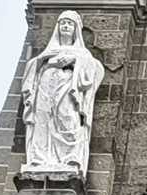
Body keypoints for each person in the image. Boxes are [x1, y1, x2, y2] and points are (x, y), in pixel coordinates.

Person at [20, 11, 105, 179]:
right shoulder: (49, 50)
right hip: (45, 86)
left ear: (76, 30)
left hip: (67, 87)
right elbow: (31, 69)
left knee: (67, 117)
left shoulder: (81, 52)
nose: (66, 26)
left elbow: (95, 69)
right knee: (42, 120)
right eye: (63, 23)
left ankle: (70, 156)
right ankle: (39, 158)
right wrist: (43, 58)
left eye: (70, 24)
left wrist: (74, 61)